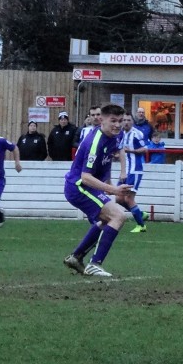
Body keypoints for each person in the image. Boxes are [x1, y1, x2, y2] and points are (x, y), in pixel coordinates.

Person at [62, 104, 134, 278]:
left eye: (120, 121)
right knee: (118, 216)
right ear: (101, 120)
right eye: (113, 121)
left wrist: (115, 177)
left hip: (89, 186)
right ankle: (95, 263)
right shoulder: (95, 141)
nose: (117, 125)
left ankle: (76, 257)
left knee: (106, 220)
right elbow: (86, 177)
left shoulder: (117, 135)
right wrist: (113, 189)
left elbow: (113, 154)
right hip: (78, 187)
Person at [118, 112, 148, 233]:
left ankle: (141, 226)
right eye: (124, 120)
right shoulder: (121, 134)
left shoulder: (136, 133)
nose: (126, 122)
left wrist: (132, 151)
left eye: (128, 120)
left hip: (135, 170)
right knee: (119, 198)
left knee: (129, 198)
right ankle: (140, 214)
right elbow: (120, 150)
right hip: (125, 170)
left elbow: (145, 149)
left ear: (132, 122)